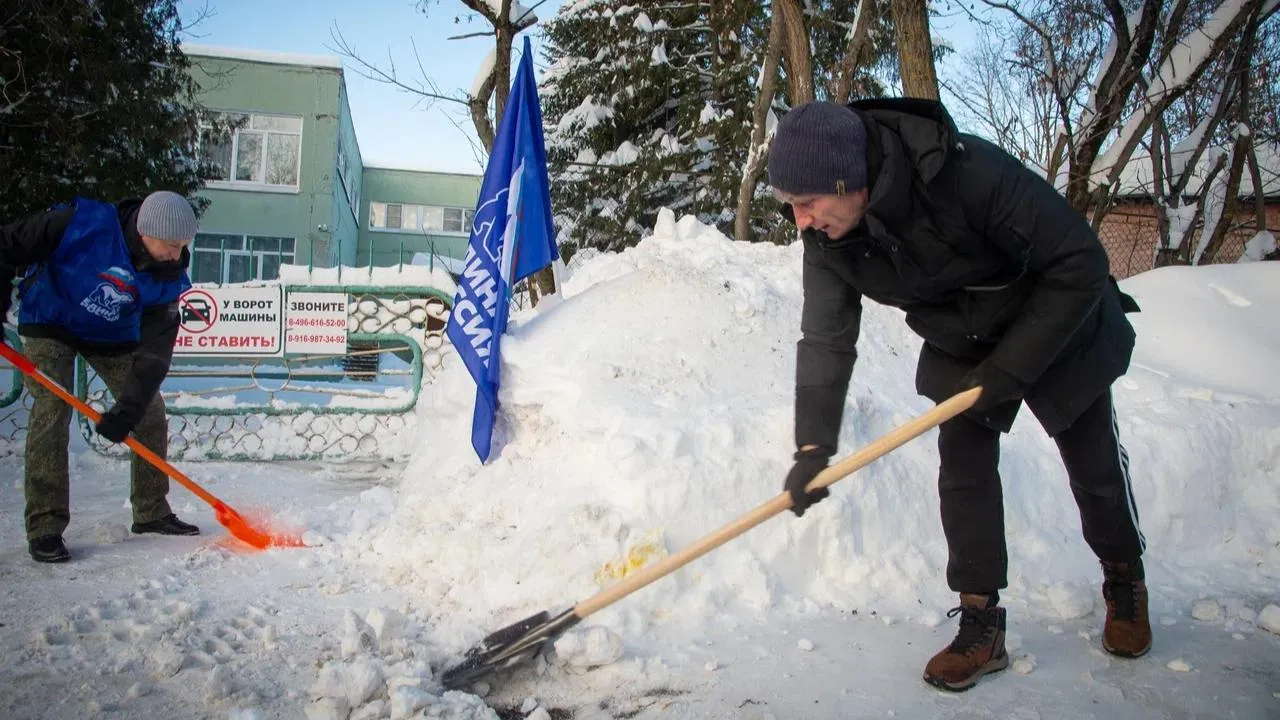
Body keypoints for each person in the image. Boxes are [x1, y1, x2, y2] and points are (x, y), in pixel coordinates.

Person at [768, 99, 1149, 692]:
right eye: (790, 205)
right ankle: (980, 623)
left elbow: (1079, 260)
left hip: (1054, 316)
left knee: (1093, 463)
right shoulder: (828, 239)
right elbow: (825, 337)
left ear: (849, 179)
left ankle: (1124, 578)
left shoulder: (963, 171)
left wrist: (1012, 369)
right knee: (964, 471)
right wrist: (811, 446)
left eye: (806, 202)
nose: (800, 221)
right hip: (962, 336)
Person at [0, 191, 202, 563]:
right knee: (53, 404)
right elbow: (8, 244)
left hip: (111, 335)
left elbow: (155, 356)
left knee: (150, 412)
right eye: (171, 245)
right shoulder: (80, 223)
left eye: (183, 246)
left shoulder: (169, 276)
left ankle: (151, 511)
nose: (177, 254)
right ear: (145, 231)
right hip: (50, 320)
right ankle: (45, 526)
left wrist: (128, 410)